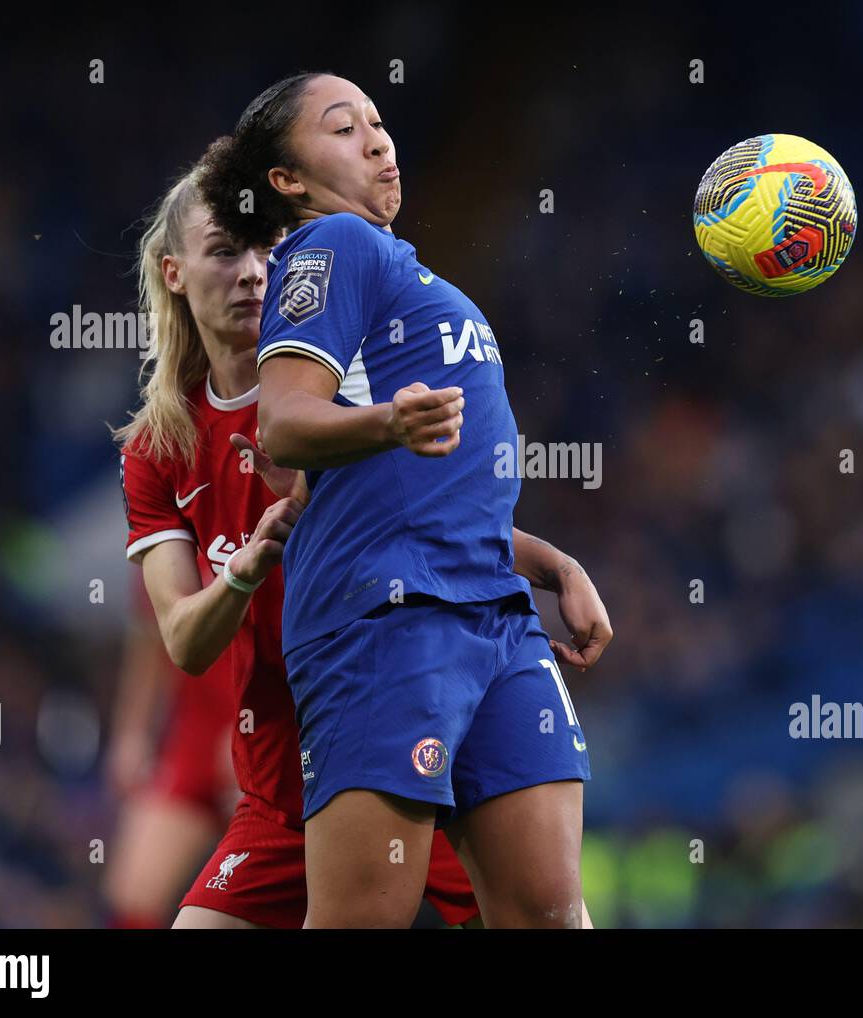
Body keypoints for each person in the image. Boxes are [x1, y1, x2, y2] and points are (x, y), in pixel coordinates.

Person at [117, 165, 607, 927]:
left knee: (546, 913)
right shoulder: (158, 449)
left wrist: (555, 565)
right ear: (173, 273)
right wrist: (244, 571)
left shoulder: (350, 392)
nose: (252, 274)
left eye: (265, 253)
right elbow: (182, 637)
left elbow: (439, 529)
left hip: (394, 731)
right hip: (284, 779)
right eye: (225, 252)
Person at [103, 568, 235, 929]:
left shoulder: (275, 526)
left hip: (270, 738)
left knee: (267, 896)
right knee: (133, 894)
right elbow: (149, 636)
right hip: (192, 744)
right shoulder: (168, 540)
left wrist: (262, 730)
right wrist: (132, 733)